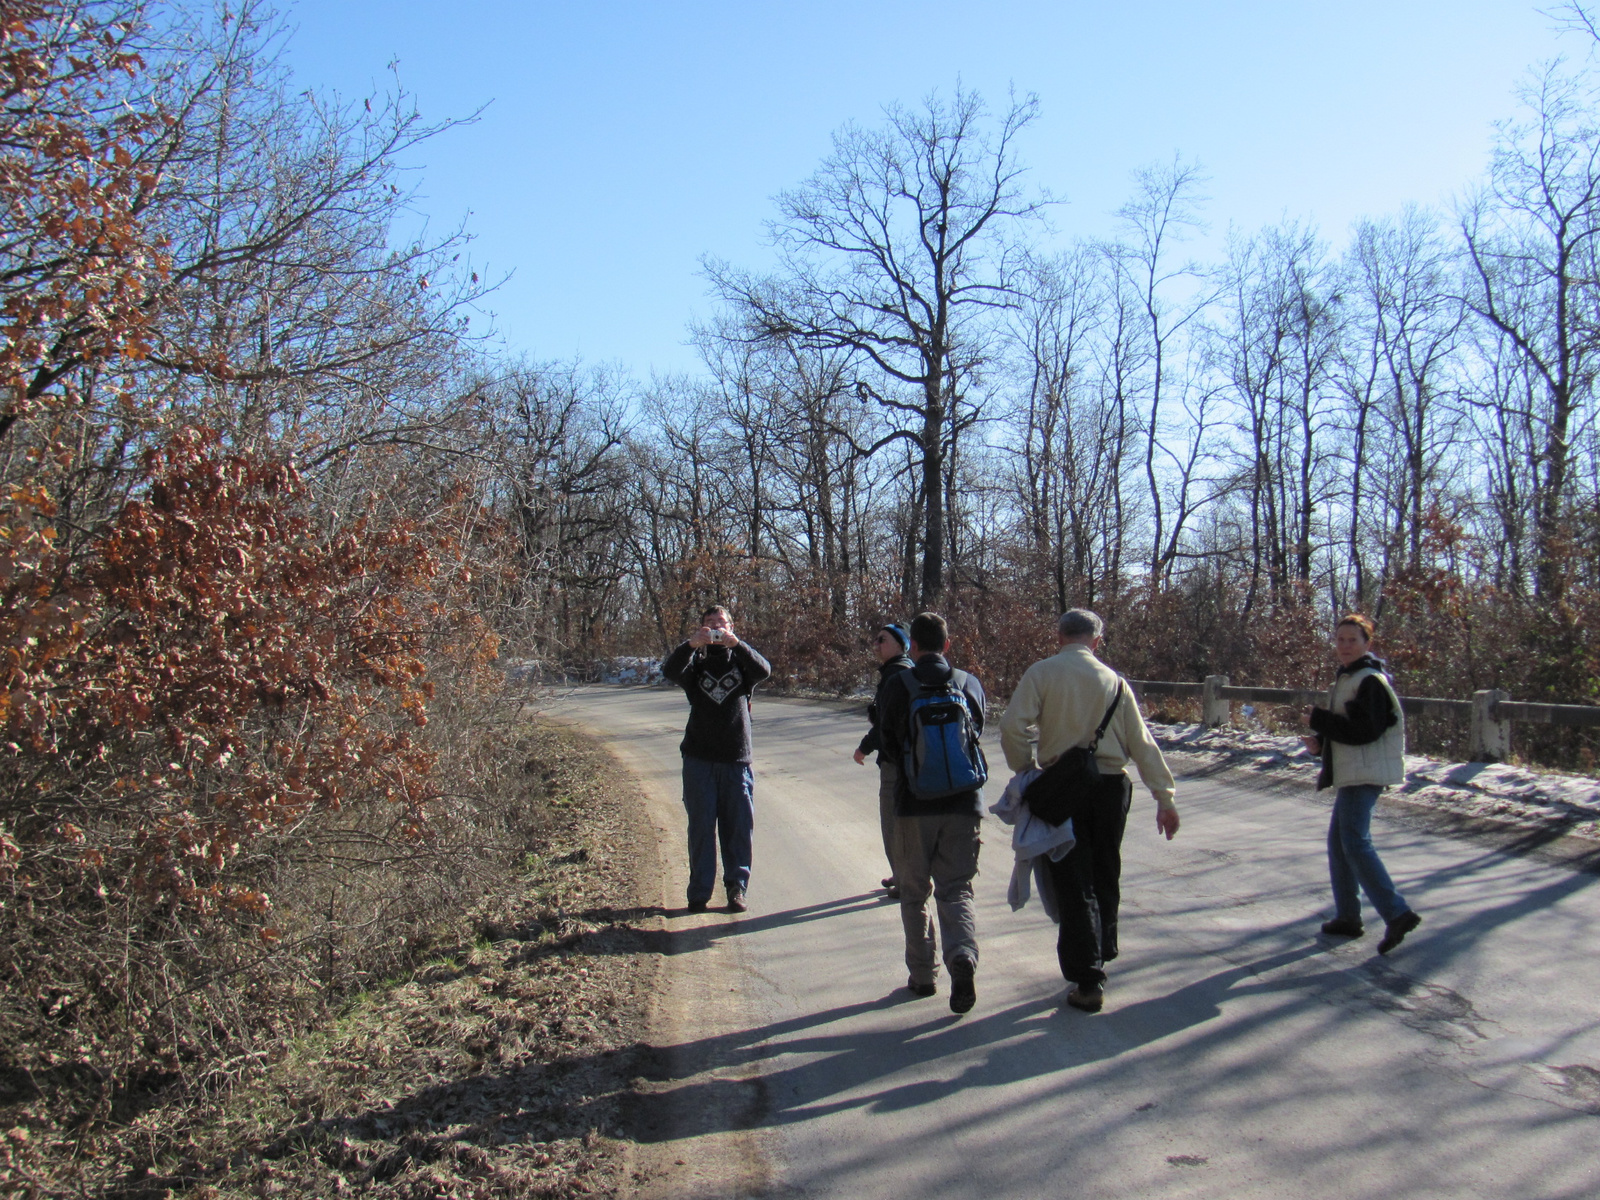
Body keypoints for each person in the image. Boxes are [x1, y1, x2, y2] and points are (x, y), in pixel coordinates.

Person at [998, 609, 1180, 1013]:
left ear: (1059, 636)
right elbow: (1143, 743)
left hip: (1064, 785)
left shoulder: (1042, 673)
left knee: (1072, 877)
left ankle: (1087, 976)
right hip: (1112, 787)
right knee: (1105, 871)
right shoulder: (1116, 682)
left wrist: (1026, 768)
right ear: (1096, 642)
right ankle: (1102, 950)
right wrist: (1164, 798)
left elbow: (1013, 726)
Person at [876, 611, 986, 1014]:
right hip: (963, 802)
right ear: (948, 645)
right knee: (956, 888)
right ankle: (963, 955)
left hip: (912, 807)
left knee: (914, 892)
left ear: (914, 647)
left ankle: (923, 976)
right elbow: (977, 730)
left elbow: (888, 744)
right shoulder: (968, 683)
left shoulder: (899, 684)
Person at [1302, 614, 1421, 955]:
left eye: (1352, 640)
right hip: (1355, 771)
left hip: (1366, 774)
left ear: (1368, 643)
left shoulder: (1370, 680)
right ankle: (1348, 917)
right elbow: (1352, 729)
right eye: (1340, 640)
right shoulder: (1351, 678)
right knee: (1340, 844)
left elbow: (1366, 732)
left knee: (1354, 842)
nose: (1344, 646)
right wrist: (1321, 744)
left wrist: (1320, 719)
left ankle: (1396, 913)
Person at [661, 605, 772, 913]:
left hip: (737, 760)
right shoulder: (694, 666)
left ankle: (737, 888)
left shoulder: (742, 664)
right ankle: (699, 892)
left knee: (738, 828)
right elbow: (669, 670)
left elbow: (764, 670)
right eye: (708, 625)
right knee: (700, 827)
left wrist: (737, 645)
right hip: (699, 759)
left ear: (731, 627)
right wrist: (691, 645)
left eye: (720, 624)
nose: (714, 629)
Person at [853, 623, 914, 899]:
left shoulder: (896, 676)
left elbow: (885, 725)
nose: (876, 644)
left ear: (901, 645)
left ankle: (904, 881)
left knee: (892, 822)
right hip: (911, 760)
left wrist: (864, 748)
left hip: (895, 762)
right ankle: (901, 874)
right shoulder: (905, 672)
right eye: (875, 639)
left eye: (882, 640)